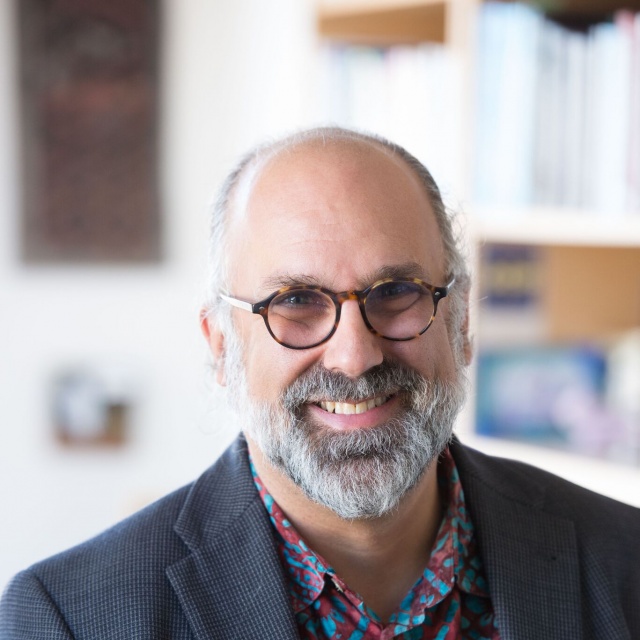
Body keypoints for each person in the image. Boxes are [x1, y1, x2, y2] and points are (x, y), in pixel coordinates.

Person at [1, 127, 639, 640]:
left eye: (396, 292)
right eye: (296, 301)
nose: (355, 357)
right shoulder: (69, 620)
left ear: (462, 323)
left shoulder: (626, 564)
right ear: (221, 346)